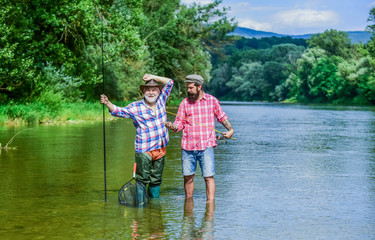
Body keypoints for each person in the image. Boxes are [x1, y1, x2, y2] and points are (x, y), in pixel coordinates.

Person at [100, 74, 173, 198]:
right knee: (142, 180)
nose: (151, 92)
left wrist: (152, 76)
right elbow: (119, 111)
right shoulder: (135, 107)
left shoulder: (161, 100)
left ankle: (154, 208)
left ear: (159, 91)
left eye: (154, 90)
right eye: (148, 90)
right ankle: (141, 207)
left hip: (160, 147)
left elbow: (170, 82)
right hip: (144, 149)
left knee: (156, 180)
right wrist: (107, 103)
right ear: (143, 92)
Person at [165, 74, 233, 201]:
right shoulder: (184, 103)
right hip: (187, 146)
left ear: (199, 87)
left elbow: (222, 117)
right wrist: (173, 126)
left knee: (208, 177)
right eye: (187, 88)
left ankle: (210, 205)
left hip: (206, 146)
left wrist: (230, 130)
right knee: (188, 177)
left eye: (191, 88)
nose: (188, 90)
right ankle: (188, 206)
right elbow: (179, 123)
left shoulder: (212, 101)